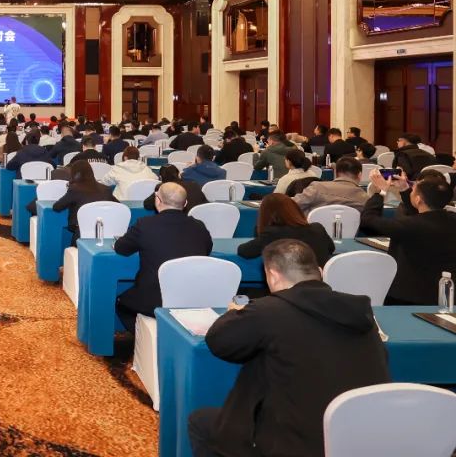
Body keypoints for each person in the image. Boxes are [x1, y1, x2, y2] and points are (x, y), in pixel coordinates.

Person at [188, 239, 390, 457]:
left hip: (294, 445)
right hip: (361, 442)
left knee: (201, 422)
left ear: (273, 275)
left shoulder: (269, 311)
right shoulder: (361, 314)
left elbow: (218, 340)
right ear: (320, 272)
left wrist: (235, 313)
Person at [113, 182, 212, 332]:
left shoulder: (144, 224)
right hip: (193, 298)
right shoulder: (199, 226)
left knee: (122, 302)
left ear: (157, 201)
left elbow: (121, 248)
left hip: (155, 301)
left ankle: (148, 338)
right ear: (185, 203)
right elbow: (207, 250)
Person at [363, 170, 456, 304]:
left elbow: (368, 220)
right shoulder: (450, 220)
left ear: (418, 199)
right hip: (446, 296)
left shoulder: (409, 226)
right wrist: (404, 189)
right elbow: (423, 213)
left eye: (413, 190)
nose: (411, 191)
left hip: (407, 299)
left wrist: (381, 192)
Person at [238, 193, 334, 266]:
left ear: (265, 215)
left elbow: (244, 251)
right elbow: (331, 248)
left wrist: (260, 229)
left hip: (290, 283)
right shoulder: (318, 228)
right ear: (295, 209)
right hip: (321, 282)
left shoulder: (272, 234)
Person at [49, 159, 117, 245]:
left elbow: (56, 207)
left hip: (81, 234)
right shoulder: (106, 189)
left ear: (75, 174)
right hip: (105, 234)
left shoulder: (75, 189)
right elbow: (118, 205)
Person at [292, 157, 367, 214]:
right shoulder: (365, 199)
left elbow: (291, 205)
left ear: (335, 173)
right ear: (360, 175)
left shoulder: (317, 187)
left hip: (315, 229)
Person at [141, 164, 207, 214]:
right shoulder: (194, 185)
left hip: (175, 223)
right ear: (178, 175)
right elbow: (205, 203)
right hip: (198, 222)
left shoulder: (162, 188)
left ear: (160, 178)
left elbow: (147, 204)